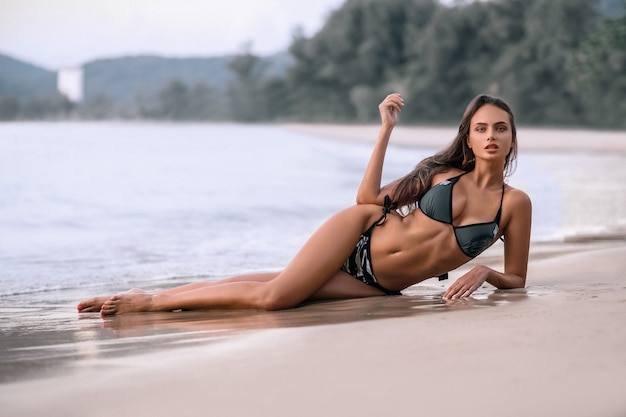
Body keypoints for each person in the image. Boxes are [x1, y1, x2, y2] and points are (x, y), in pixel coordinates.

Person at [78, 93, 532, 316]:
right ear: (468, 137)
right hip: (360, 233)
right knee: (275, 297)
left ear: (512, 137)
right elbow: (368, 200)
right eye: (481, 128)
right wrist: (385, 130)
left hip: (378, 284)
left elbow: (516, 277)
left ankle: (144, 296)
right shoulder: (441, 174)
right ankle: (151, 303)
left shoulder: (515, 204)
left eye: (500, 128)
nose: (491, 136)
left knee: (266, 285)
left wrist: (485, 271)